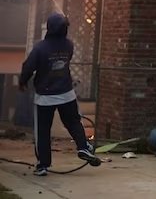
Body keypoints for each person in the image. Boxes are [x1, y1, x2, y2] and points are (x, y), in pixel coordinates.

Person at [19, 13, 101, 176]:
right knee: (73, 122)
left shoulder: (40, 48)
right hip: (66, 94)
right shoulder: (68, 45)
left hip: (44, 97)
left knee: (43, 131)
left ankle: (43, 166)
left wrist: (23, 81)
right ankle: (83, 147)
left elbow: (28, 67)